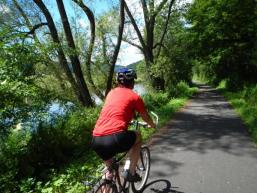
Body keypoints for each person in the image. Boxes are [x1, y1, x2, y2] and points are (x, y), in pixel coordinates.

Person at [91, 68, 156, 182]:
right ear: (132, 82)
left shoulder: (111, 93)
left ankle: (106, 182)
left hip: (96, 140)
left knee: (109, 169)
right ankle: (131, 172)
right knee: (138, 136)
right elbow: (145, 116)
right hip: (116, 138)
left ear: (118, 81)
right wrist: (153, 125)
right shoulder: (134, 96)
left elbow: (115, 112)